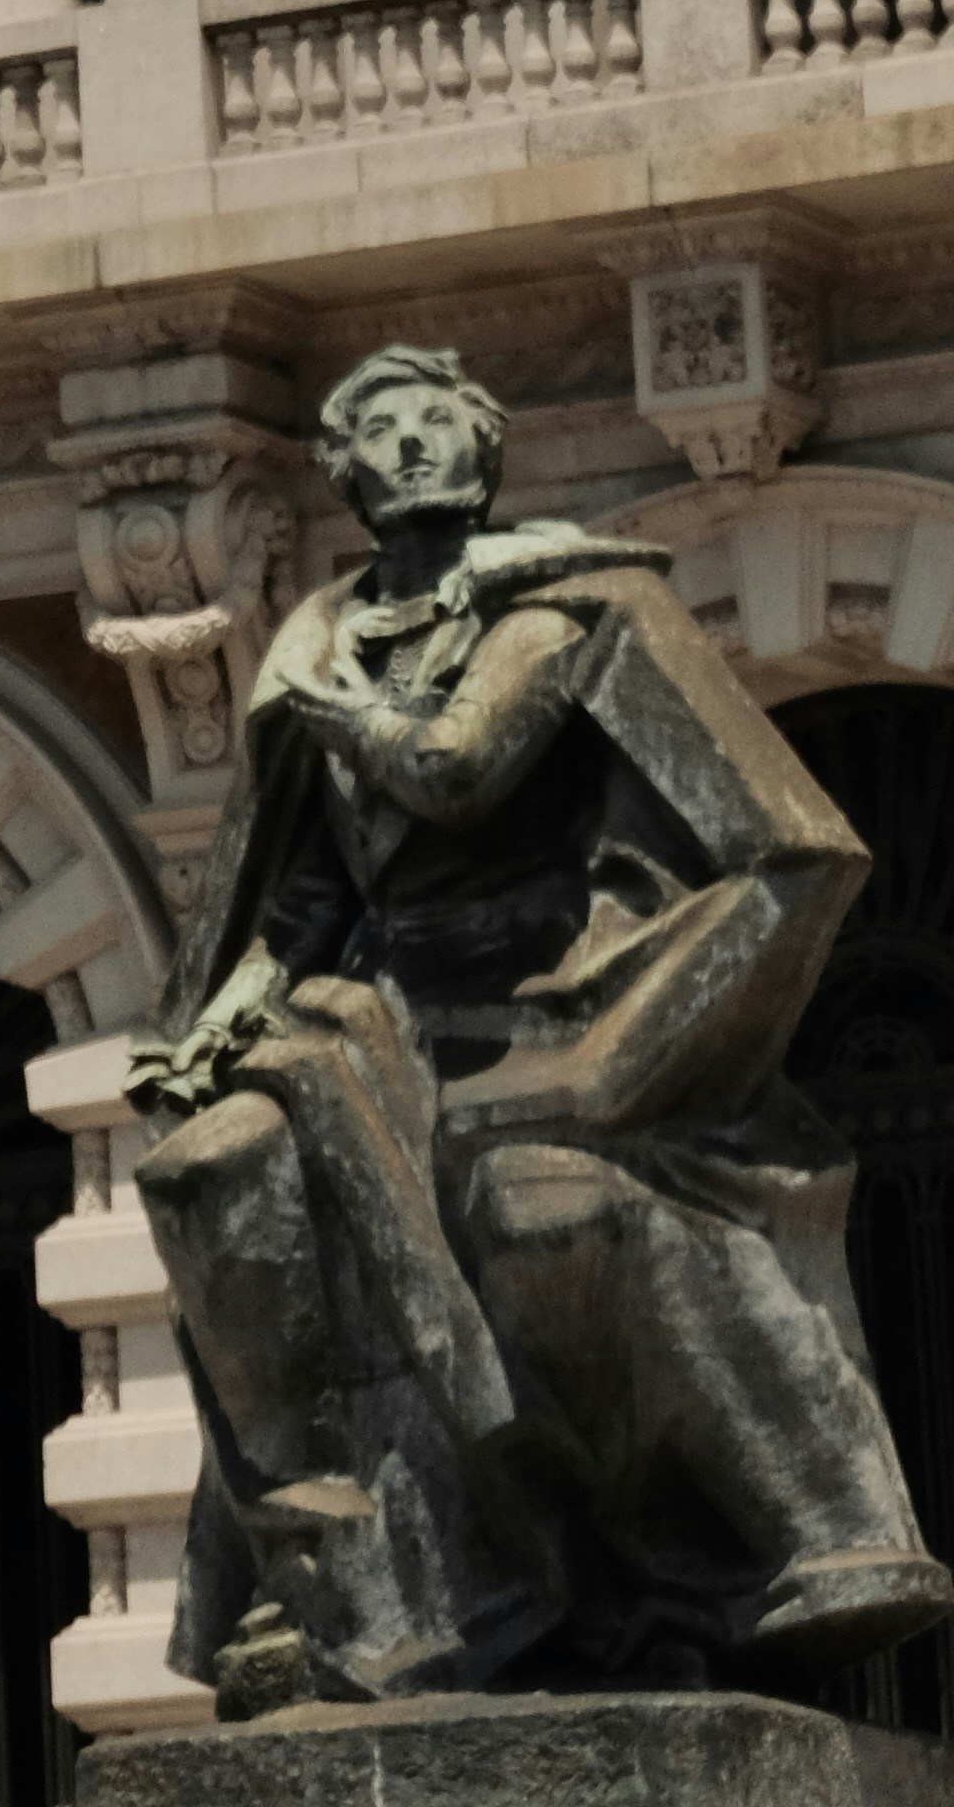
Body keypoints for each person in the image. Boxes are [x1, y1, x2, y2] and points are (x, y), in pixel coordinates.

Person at [131, 339, 947, 1707]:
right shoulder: (314, 648)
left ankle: (604, 1571)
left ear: (483, 446)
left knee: (539, 1206)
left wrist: (634, 1050)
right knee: (208, 1172)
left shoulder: (568, 600)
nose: (411, 448)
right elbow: (302, 899)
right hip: (380, 1020)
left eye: (435, 422)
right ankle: (327, 1588)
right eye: (381, 431)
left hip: (556, 1002)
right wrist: (215, 1023)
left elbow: (778, 847)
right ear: (342, 474)